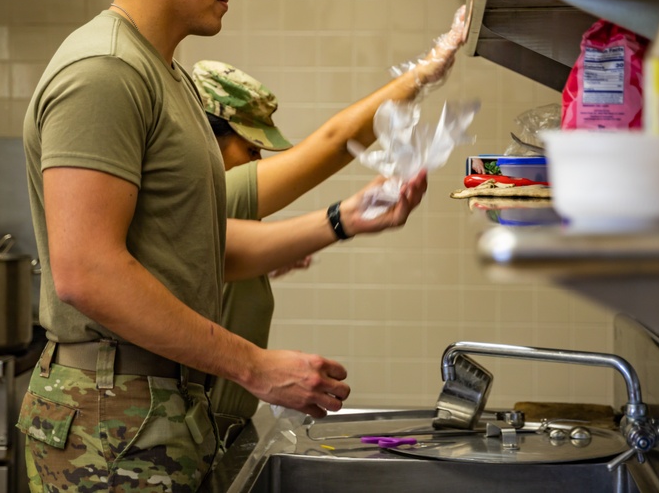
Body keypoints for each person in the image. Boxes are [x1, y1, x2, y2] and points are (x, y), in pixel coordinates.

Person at [16, 0, 429, 493]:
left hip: (154, 411)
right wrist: (254, 365)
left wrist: (343, 220)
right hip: (112, 421)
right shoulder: (103, 71)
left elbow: (199, 245)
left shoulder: (164, 74)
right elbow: (86, 271)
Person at [191, 24, 462, 444]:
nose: (258, 162)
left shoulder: (200, 214)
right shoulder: (215, 189)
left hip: (216, 436)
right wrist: (425, 71)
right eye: (250, 149)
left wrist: (268, 254)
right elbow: (337, 141)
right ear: (209, 140)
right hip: (199, 436)